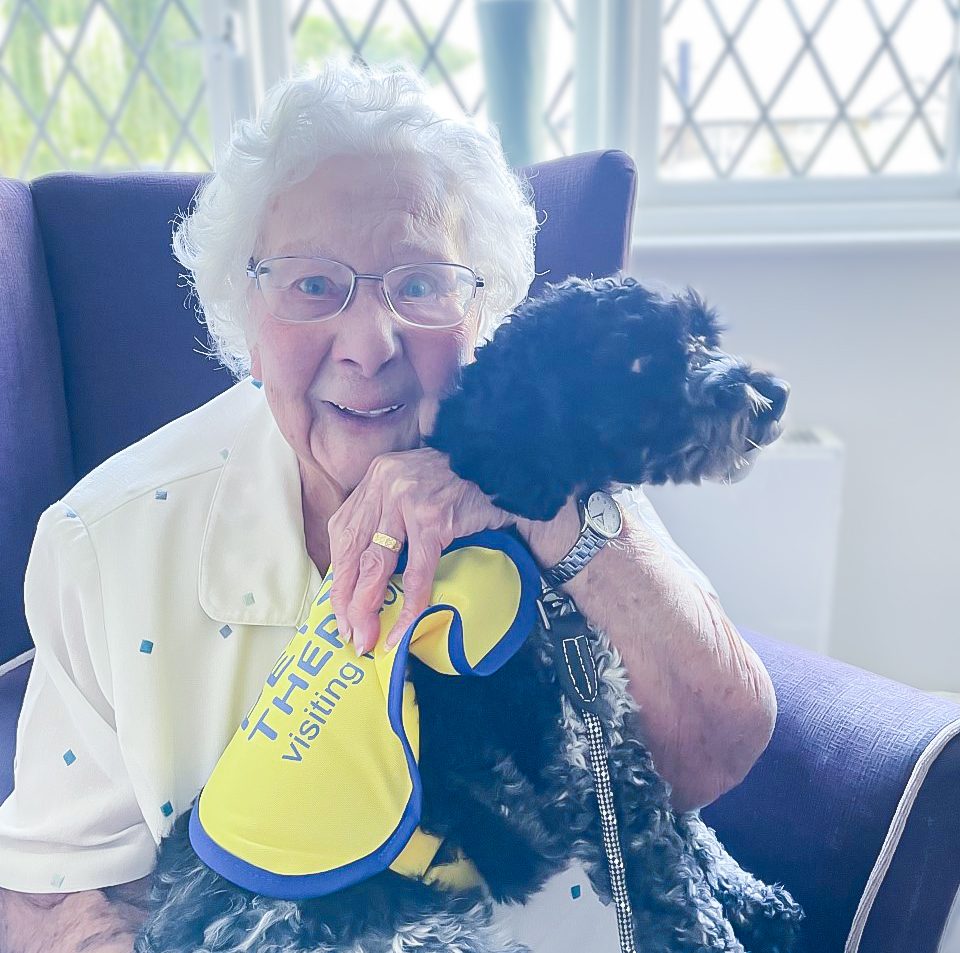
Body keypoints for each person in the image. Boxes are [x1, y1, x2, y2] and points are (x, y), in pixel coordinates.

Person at [0, 58, 777, 953]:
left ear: (480, 312)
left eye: (419, 283)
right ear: (246, 318)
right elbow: (56, 899)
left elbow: (716, 750)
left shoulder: (548, 457)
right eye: (312, 284)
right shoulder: (106, 544)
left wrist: (546, 513)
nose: (369, 346)